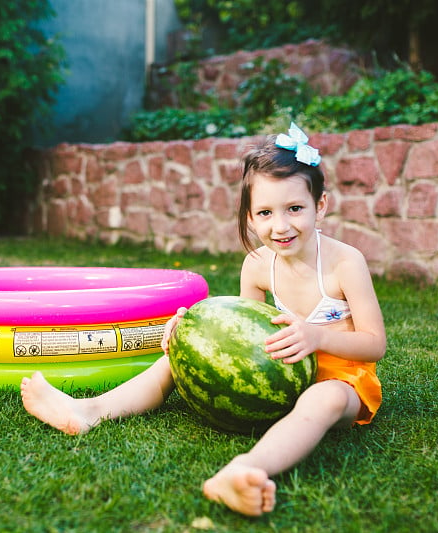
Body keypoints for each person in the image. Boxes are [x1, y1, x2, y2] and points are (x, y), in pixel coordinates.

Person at [20, 123, 386, 517]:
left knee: (322, 399)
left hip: (342, 376)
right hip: (283, 369)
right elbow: (242, 335)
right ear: (250, 216)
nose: (280, 226)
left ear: (321, 205)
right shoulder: (258, 265)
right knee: (170, 364)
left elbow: (374, 343)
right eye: (265, 212)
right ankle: (88, 411)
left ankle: (246, 469)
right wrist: (191, 332)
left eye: (294, 208)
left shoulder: (345, 263)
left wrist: (316, 338)